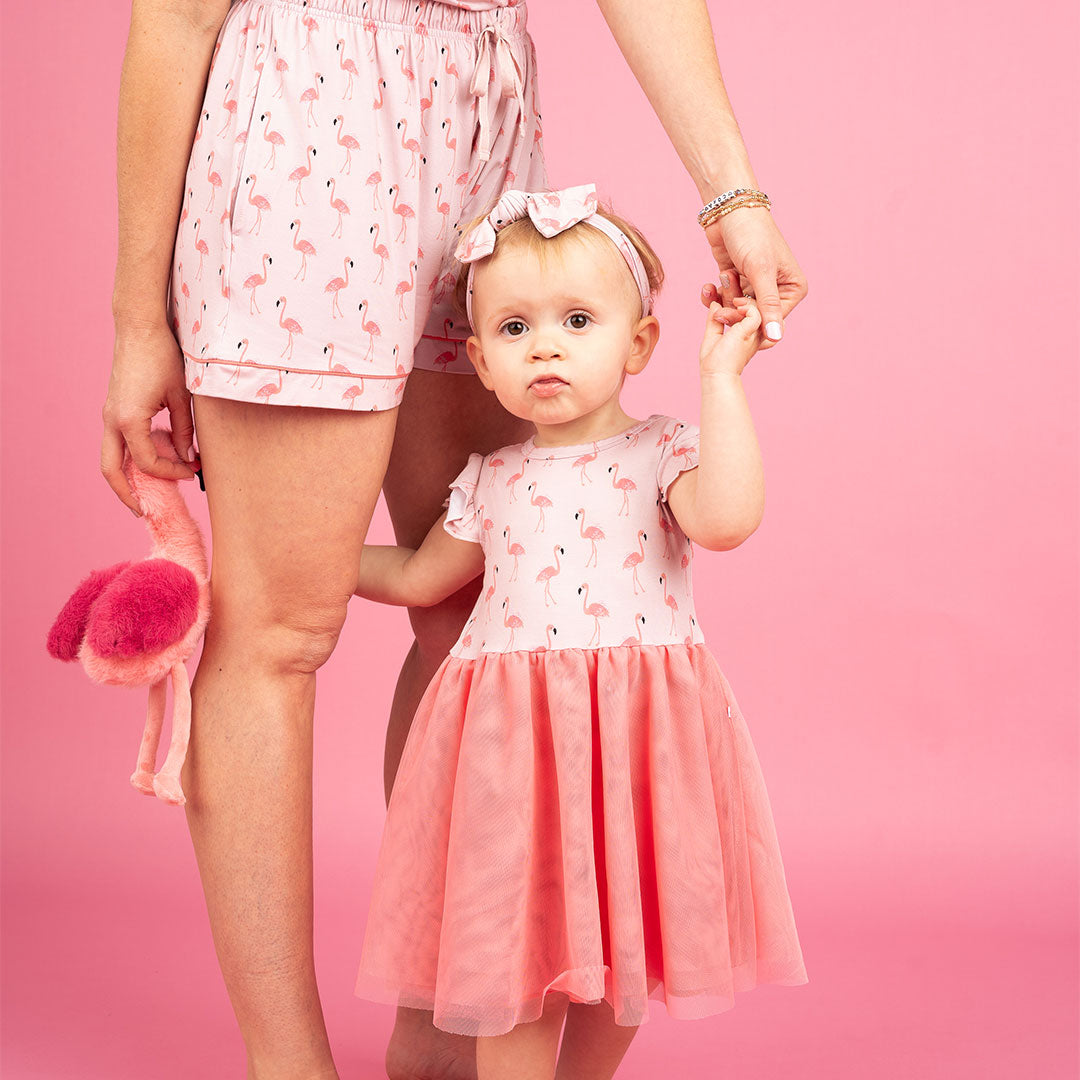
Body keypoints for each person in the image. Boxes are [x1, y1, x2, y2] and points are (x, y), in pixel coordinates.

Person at [102, 1, 807, 1077]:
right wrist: (136, 319)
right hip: (308, 113)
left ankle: (448, 1029)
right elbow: (180, 14)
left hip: (481, 110)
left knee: (480, 606)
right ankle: (288, 1067)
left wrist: (733, 189)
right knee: (280, 629)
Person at [351, 183, 809, 1079]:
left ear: (639, 343)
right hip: (510, 751)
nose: (546, 346)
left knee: (623, 948)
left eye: (577, 321)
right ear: (482, 364)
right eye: (515, 330)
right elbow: (414, 576)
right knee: (511, 942)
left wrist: (722, 380)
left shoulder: (665, 451)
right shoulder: (490, 478)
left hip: (636, 742)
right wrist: (290, 570)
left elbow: (726, 519)